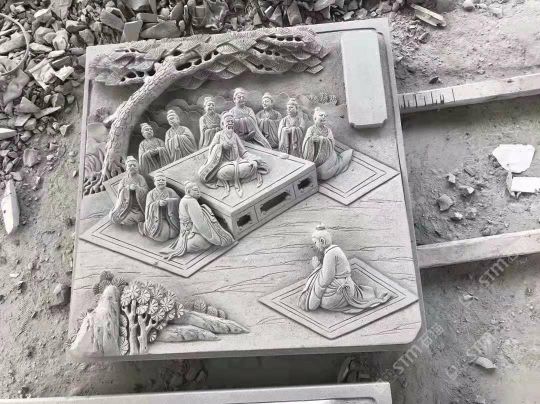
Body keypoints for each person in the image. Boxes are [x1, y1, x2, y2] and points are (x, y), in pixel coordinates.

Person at [298, 224, 392, 313]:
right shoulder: (335, 250)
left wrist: (317, 269)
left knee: (324, 303)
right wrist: (318, 268)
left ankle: (342, 300)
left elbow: (326, 279)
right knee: (319, 291)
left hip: (342, 291)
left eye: (315, 242)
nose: (315, 246)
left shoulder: (330, 254)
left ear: (322, 241)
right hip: (347, 285)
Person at [198, 112, 269, 198]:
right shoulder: (218, 135)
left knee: (252, 165)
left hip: (238, 162)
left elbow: (243, 152)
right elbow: (211, 150)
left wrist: (254, 158)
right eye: (228, 121)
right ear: (222, 124)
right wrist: (221, 147)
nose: (230, 123)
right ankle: (237, 175)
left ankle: (238, 174)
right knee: (222, 173)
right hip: (224, 165)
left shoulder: (235, 136)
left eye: (232, 122)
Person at [161, 181, 234, 259]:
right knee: (206, 242)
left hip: (186, 234)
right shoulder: (191, 201)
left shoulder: (185, 199)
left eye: (198, 189)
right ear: (188, 191)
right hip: (191, 233)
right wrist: (217, 238)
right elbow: (200, 223)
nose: (198, 192)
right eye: (195, 190)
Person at [302, 108, 352, 180]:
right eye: (321, 115)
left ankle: (341, 163)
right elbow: (307, 141)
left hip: (329, 154)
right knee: (315, 172)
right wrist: (312, 140)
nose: (323, 117)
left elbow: (331, 142)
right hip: (315, 156)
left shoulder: (328, 130)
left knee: (323, 174)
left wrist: (322, 139)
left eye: (325, 116)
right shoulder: (311, 129)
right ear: (315, 118)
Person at [138, 171, 180, 242]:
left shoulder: (170, 191)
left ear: (165, 182)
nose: (161, 181)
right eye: (158, 180)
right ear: (154, 182)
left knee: (173, 234)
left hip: (170, 218)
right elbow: (148, 207)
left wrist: (169, 201)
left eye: (163, 180)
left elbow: (178, 200)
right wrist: (157, 204)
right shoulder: (151, 194)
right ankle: (144, 227)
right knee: (163, 237)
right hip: (156, 219)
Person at [109, 156, 148, 225]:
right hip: (126, 207)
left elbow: (145, 191)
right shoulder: (123, 180)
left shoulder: (140, 178)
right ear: (126, 168)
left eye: (134, 165)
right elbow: (120, 192)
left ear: (137, 167)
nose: (132, 167)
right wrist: (128, 189)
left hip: (138, 207)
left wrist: (137, 188)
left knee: (138, 217)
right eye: (130, 165)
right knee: (116, 217)